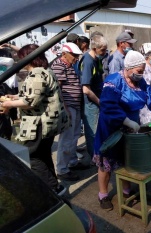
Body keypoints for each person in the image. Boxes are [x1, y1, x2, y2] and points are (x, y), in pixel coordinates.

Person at [93, 51, 151, 210]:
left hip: (132, 127)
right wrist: (125, 120)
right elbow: (108, 106)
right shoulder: (113, 82)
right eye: (139, 71)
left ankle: (126, 190)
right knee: (106, 163)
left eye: (142, 71)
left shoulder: (140, 83)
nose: (141, 74)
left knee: (127, 159)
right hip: (111, 126)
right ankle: (103, 194)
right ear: (128, 68)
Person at [0, 44, 70, 196]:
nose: (20, 61)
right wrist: (16, 97)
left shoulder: (37, 74)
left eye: (22, 58)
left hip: (39, 123)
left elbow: (30, 102)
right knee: (44, 154)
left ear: (29, 59)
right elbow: (35, 94)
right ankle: (55, 185)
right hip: (49, 123)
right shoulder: (46, 71)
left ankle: (53, 188)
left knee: (34, 156)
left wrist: (8, 103)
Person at [51, 42, 90, 181]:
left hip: (74, 106)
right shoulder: (59, 65)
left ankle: (72, 162)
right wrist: (65, 108)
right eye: (73, 55)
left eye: (76, 55)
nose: (76, 58)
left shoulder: (69, 65)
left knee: (74, 136)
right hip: (68, 107)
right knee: (66, 139)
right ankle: (62, 169)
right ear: (64, 54)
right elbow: (58, 90)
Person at [79, 35, 108, 162]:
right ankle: (94, 158)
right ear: (95, 48)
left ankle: (98, 155)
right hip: (90, 103)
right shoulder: (88, 61)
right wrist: (99, 102)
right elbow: (86, 89)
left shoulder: (96, 59)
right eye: (102, 50)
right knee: (92, 132)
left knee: (98, 130)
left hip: (97, 99)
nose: (104, 53)